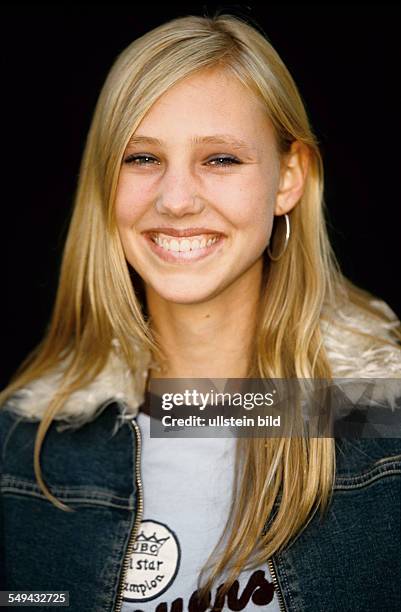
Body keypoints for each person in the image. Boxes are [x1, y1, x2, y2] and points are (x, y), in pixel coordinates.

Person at [1, 12, 400, 612]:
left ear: (289, 177)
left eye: (220, 159)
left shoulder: (383, 421)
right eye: (141, 158)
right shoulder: (30, 445)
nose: (177, 199)